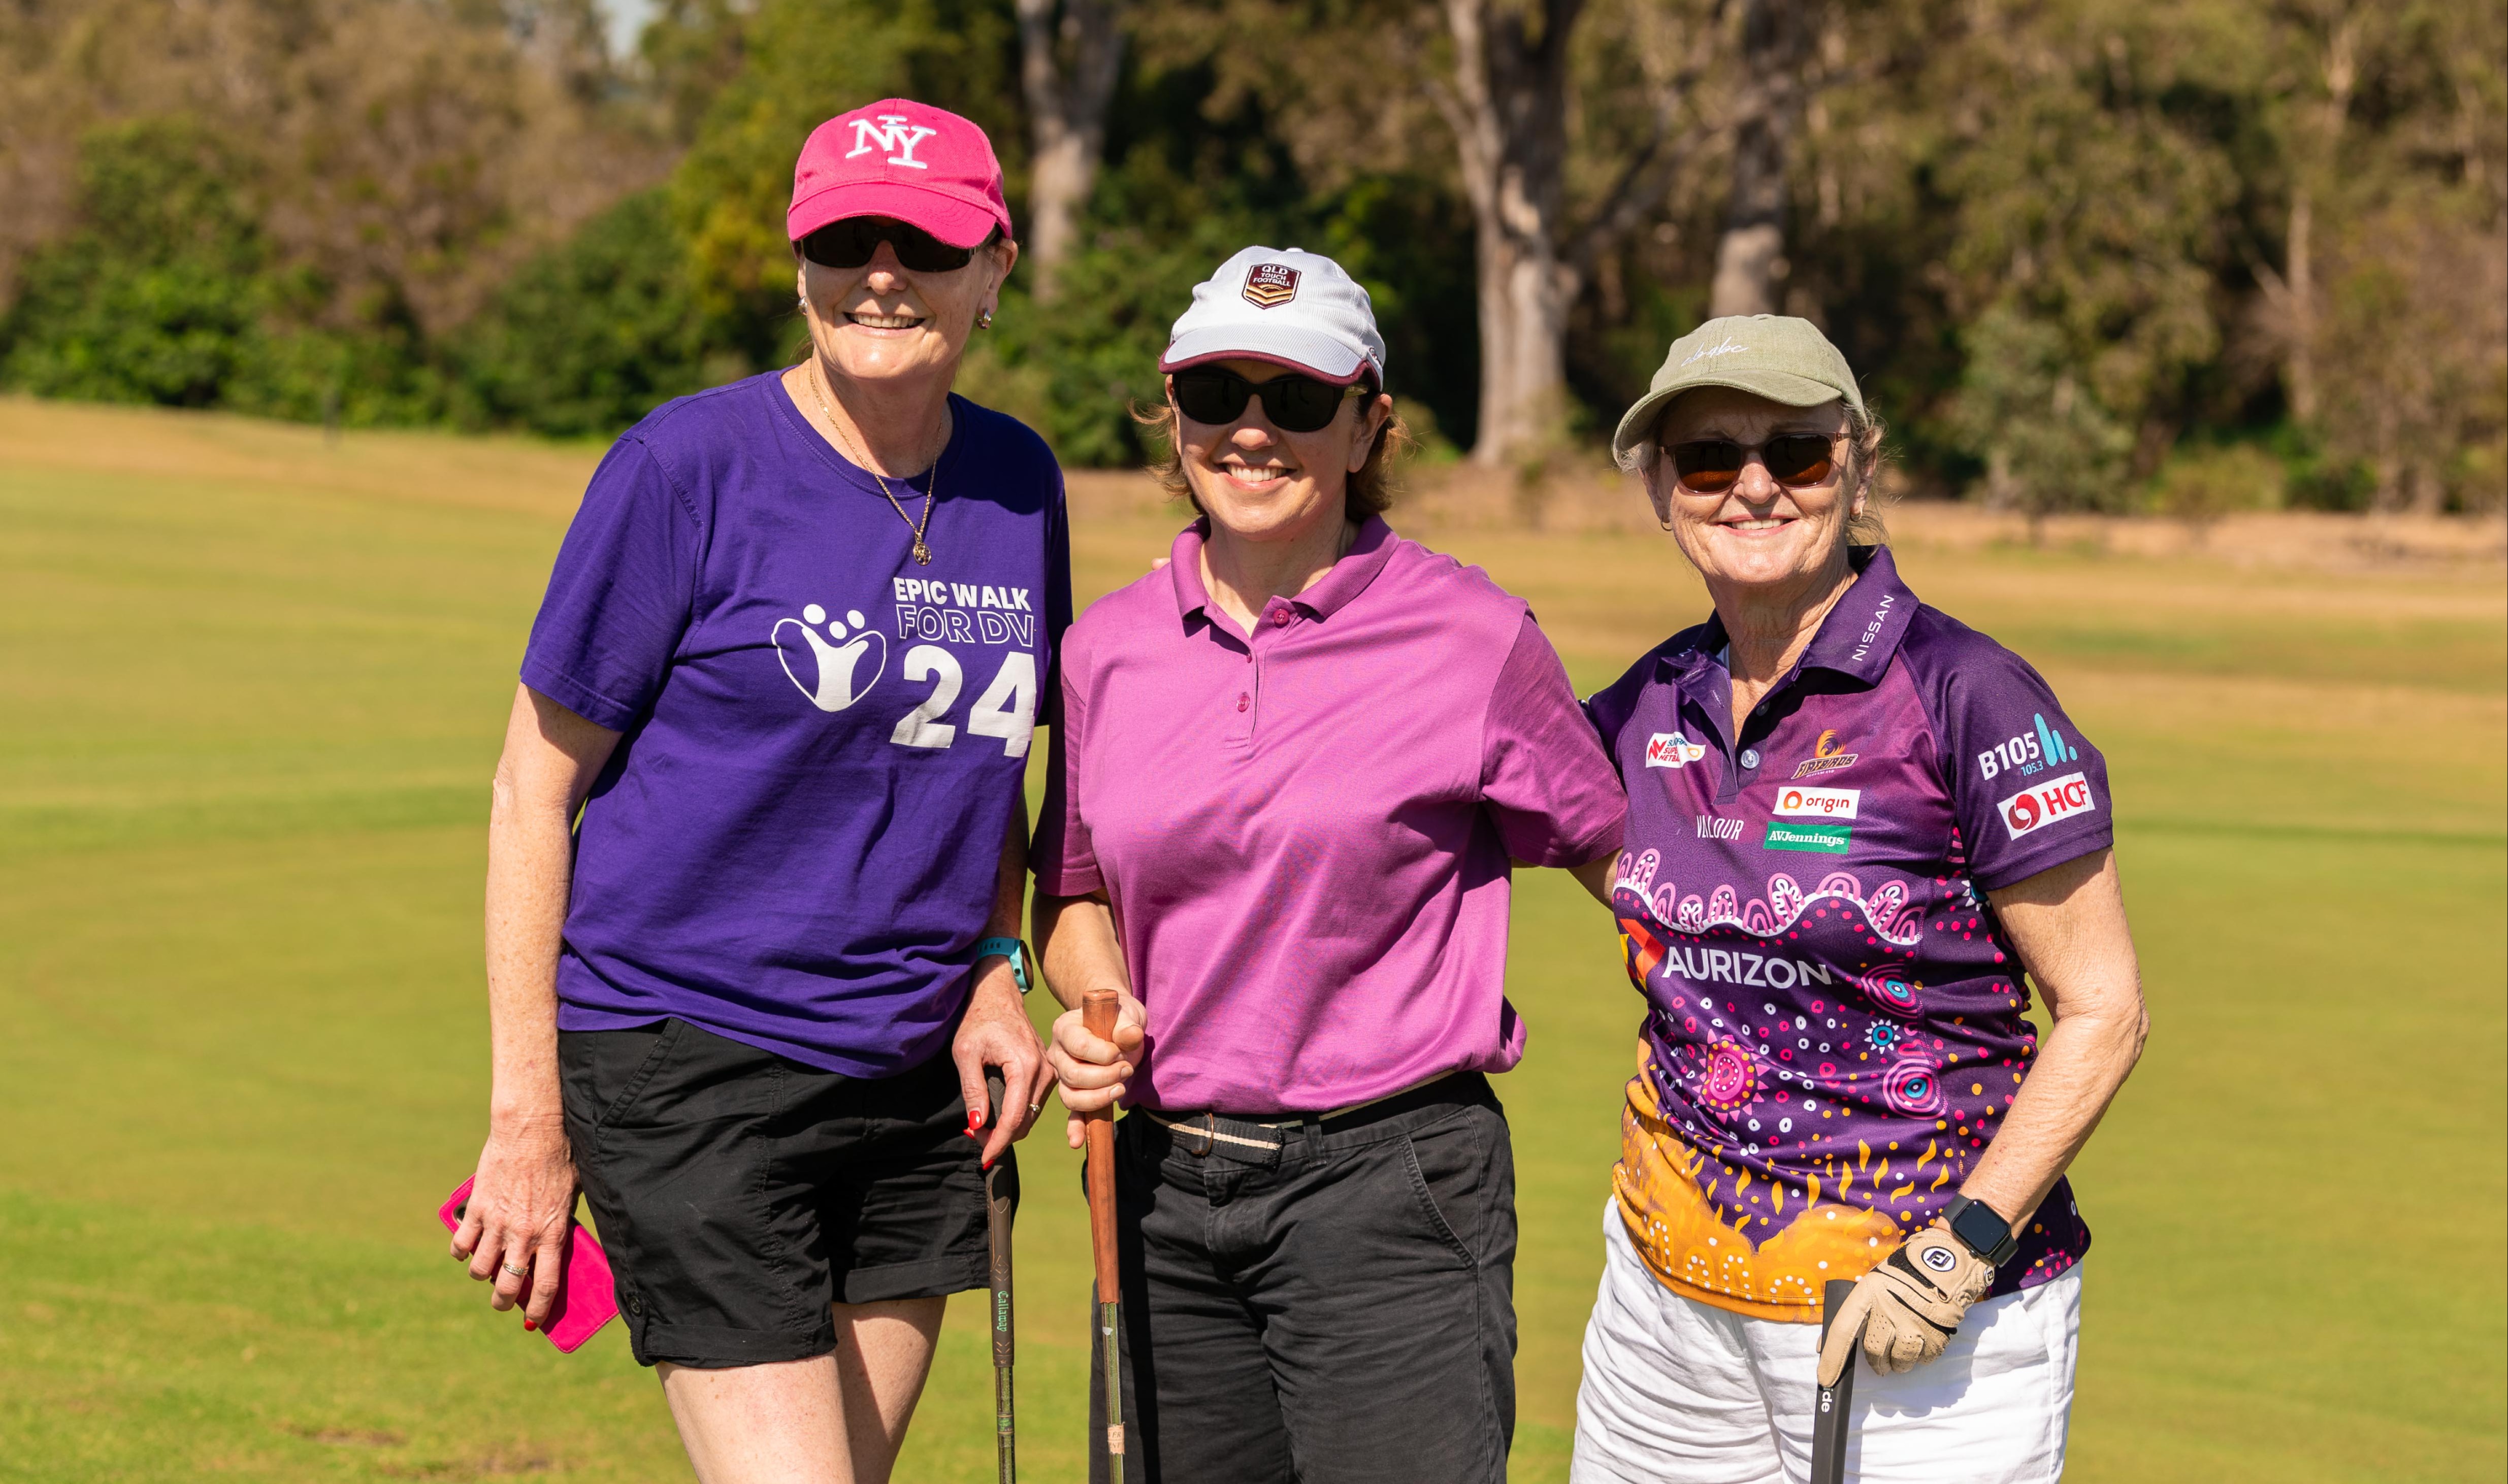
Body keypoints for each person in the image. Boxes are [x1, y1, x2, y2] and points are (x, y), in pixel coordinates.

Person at [448, 98, 1067, 1484]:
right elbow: (529, 791)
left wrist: (991, 966)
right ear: (800, 265)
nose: (883, 273)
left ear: (995, 263)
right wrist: (528, 1124)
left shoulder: (1019, 483)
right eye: (847, 240)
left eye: (925, 241)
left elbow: (1002, 764)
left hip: (914, 1087)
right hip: (688, 1062)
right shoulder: (683, 468)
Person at [1032, 247, 1628, 1484]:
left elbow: (1631, 871)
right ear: (1172, 409)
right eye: (1218, 395)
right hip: (1157, 1191)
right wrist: (1090, 1006)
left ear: (1367, 426)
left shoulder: (1474, 638)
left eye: (1298, 400)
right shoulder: (1107, 649)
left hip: (1390, 1189)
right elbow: (1075, 888)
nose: (1253, 430)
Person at [1566, 315, 2149, 1483]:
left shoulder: (1963, 691)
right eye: (1708, 459)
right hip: (1663, 1312)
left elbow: (2103, 1009)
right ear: (1661, 491)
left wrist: (1961, 1250)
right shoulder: (1648, 699)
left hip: (1921, 1321)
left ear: (1860, 461)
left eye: (1797, 454)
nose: (1753, 490)